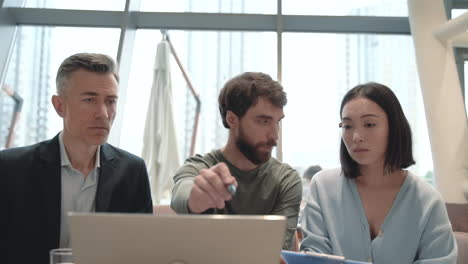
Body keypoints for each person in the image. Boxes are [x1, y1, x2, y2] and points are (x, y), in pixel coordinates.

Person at [0, 53, 153, 264]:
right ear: (59, 105)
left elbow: (142, 253)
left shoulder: (132, 172)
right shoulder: (11, 169)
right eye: (89, 100)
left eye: (110, 101)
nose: (103, 114)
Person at [300, 82, 457, 263]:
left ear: (394, 127)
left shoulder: (427, 201)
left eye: (369, 124)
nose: (357, 136)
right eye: (347, 126)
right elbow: (313, 255)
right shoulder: (323, 187)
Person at [171, 72, 302, 250]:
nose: (274, 136)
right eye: (263, 121)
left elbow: (276, 251)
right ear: (232, 119)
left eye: (277, 122)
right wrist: (196, 199)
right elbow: (182, 193)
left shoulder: (285, 180)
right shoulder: (199, 167)